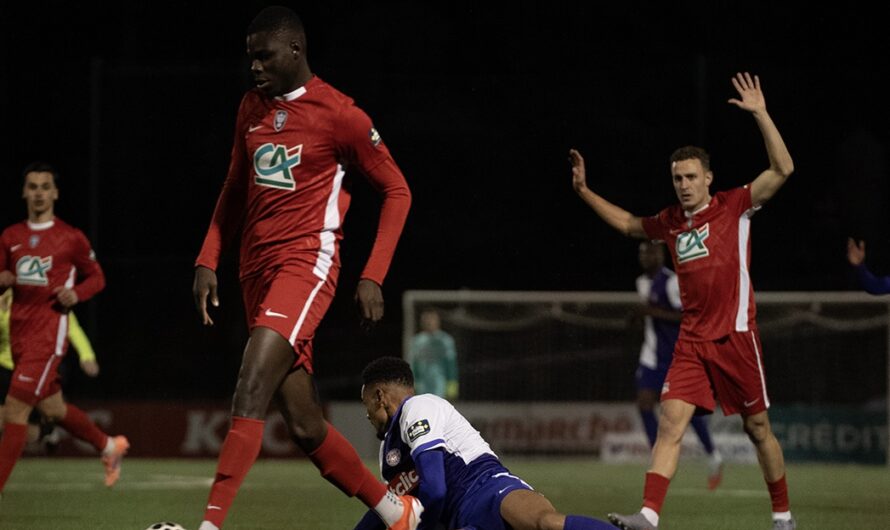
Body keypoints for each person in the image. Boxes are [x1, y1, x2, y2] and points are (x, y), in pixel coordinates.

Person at [191, 6, 418, 530]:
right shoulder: (250, 107)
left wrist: (372, 273)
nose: (253, 67)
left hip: (305, 266)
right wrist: (209, 257)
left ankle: (209, 525)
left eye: (263, 56)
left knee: (250, 384)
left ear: (295, 50)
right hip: (255, 272)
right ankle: (396, 512)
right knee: (304, 423)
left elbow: (397, 190)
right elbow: (233, 188)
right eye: (249, 57)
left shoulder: (341, 115)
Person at [570, 73, 796, 530]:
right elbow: (630, 225)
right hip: (691, 341)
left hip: (735, 336)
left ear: (708, 178)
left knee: (758, 430)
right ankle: (649, 516)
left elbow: (783, 169)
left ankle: (783, 516)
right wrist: (584, 192)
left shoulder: (735, 206)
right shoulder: (671, 222)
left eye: (691, 176)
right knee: (671, 424)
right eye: (677, 178)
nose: (684, 184)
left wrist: (761, 114)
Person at [355, 356, 619, 530]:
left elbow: (435, 491)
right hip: (462, 522)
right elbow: (389, 510)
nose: (366, 414)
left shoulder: (418, 406)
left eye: (366, 404)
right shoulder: (387, 453)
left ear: (380, 396)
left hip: (488, 489)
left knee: (546, 524)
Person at [0, 162, 129, 495]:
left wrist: (78, 293)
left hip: (49, 335)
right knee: (53, 408)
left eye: (45, 186)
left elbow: (97, 277)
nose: (39, 192)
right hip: (18, 336)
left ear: (55, 193)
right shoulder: (10, 237)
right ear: (24, 192)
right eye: (33, 186)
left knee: (14, 410)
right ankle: (108, 446)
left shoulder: (69, 238)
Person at [630, 241, 722, 489]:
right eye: (642, 253)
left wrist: (652, 312)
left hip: (674, 357)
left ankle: (713, 454)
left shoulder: (672, 282)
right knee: (644, 404)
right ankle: (656, 455)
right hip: (650, 356)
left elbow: (687, 316)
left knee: (684, 412)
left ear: (660, 255)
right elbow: (648, 318)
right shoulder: (641, 283)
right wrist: (639, 318)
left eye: (649, 252)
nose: (645, 257)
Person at [0, 287, 101, 448]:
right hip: (5, 367)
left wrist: (87, 355)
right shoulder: (4, 297)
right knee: (10, 420)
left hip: (37, 366)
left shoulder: (43, 295)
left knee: (43, 418)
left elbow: (71, 326)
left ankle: (104, 444)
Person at [407, 308, 459, 400]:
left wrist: (452, 384)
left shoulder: (445, 340)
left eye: (432, 319)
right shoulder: (416, 341)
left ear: (438, 321)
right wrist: (412, 383)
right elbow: (413, 364)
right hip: (422, 385)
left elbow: (451, 364)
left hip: (440, 385)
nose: (429, 322)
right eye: (426, 319)